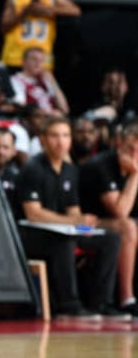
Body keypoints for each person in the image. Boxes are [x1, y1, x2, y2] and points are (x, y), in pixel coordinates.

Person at [16, 117, 126, 320]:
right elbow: (34, 213)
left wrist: (84, 223)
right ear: (42, 140)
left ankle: (101, 303)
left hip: (64, 230)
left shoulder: (70, 171)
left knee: (110, 238)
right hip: (33, 234)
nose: (61, 141)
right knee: (64, 241)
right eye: (55, 136)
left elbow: (73, 211)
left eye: (65, 135)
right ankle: (69, 305)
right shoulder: (33, 169)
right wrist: (71, 222)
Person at [79, 121, 138, 316]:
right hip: (82, 227)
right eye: (131, 148)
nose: (135, 155)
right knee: (127, 227)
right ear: (119, 143)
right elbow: (120, 211)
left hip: (104, 226)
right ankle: (127, 299)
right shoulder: (101, 166)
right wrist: (135, 175)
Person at [0, 0, 80, 71]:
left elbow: (75, 10)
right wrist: (25, 12)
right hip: (17, 57)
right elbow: (4, 27)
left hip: (42, 58)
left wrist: (48, 9)